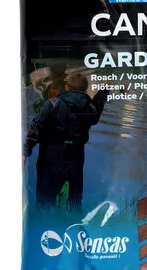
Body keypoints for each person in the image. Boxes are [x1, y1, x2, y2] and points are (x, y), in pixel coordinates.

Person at [23, 73, 108, 210]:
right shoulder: (90, 109)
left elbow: (36, 127)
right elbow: (99, 102)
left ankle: (44, 221)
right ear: (86, 91)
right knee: (74, 200)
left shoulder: (52, 104)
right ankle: (72, 220)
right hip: (76, 155)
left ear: (67, 87)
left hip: (51, 155)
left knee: (45, 198)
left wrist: (25, 151)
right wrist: (105, 88)